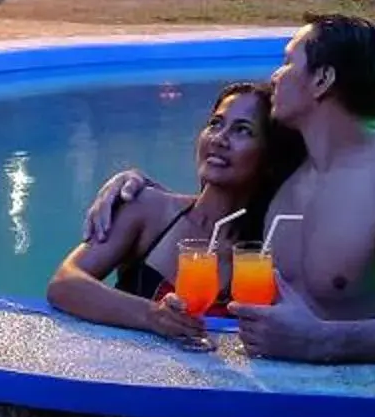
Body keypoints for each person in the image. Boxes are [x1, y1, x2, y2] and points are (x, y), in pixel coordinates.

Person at [86, 17, 375, 364]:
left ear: (322, 79)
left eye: (286, 62)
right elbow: (217, 200)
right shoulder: (293, 176)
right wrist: (133, 184)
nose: (275, 77)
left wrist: (327, 341)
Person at [47, 80, 303, 345]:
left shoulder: (267, 250)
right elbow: (65, 283)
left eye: (242, 130)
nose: (219, 139)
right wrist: (152, 315)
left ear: (271, 157)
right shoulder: (147, 208)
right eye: (215, 124)